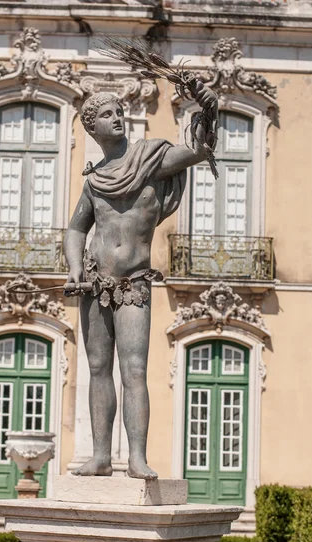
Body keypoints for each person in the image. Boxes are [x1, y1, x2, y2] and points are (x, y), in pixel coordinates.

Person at [64, 82, 218, 479]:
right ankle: (100, 456)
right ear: (92, 129)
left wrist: (208, 113)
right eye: (107, 115)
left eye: (119, 111)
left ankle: (136, 457)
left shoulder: (150, 159)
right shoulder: (94, 180)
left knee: (133, 369)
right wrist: (75, 268)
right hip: (95, 283)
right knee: (98, 368)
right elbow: (77, 228)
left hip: (133, 283)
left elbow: (198, 151)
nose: (117, 118)